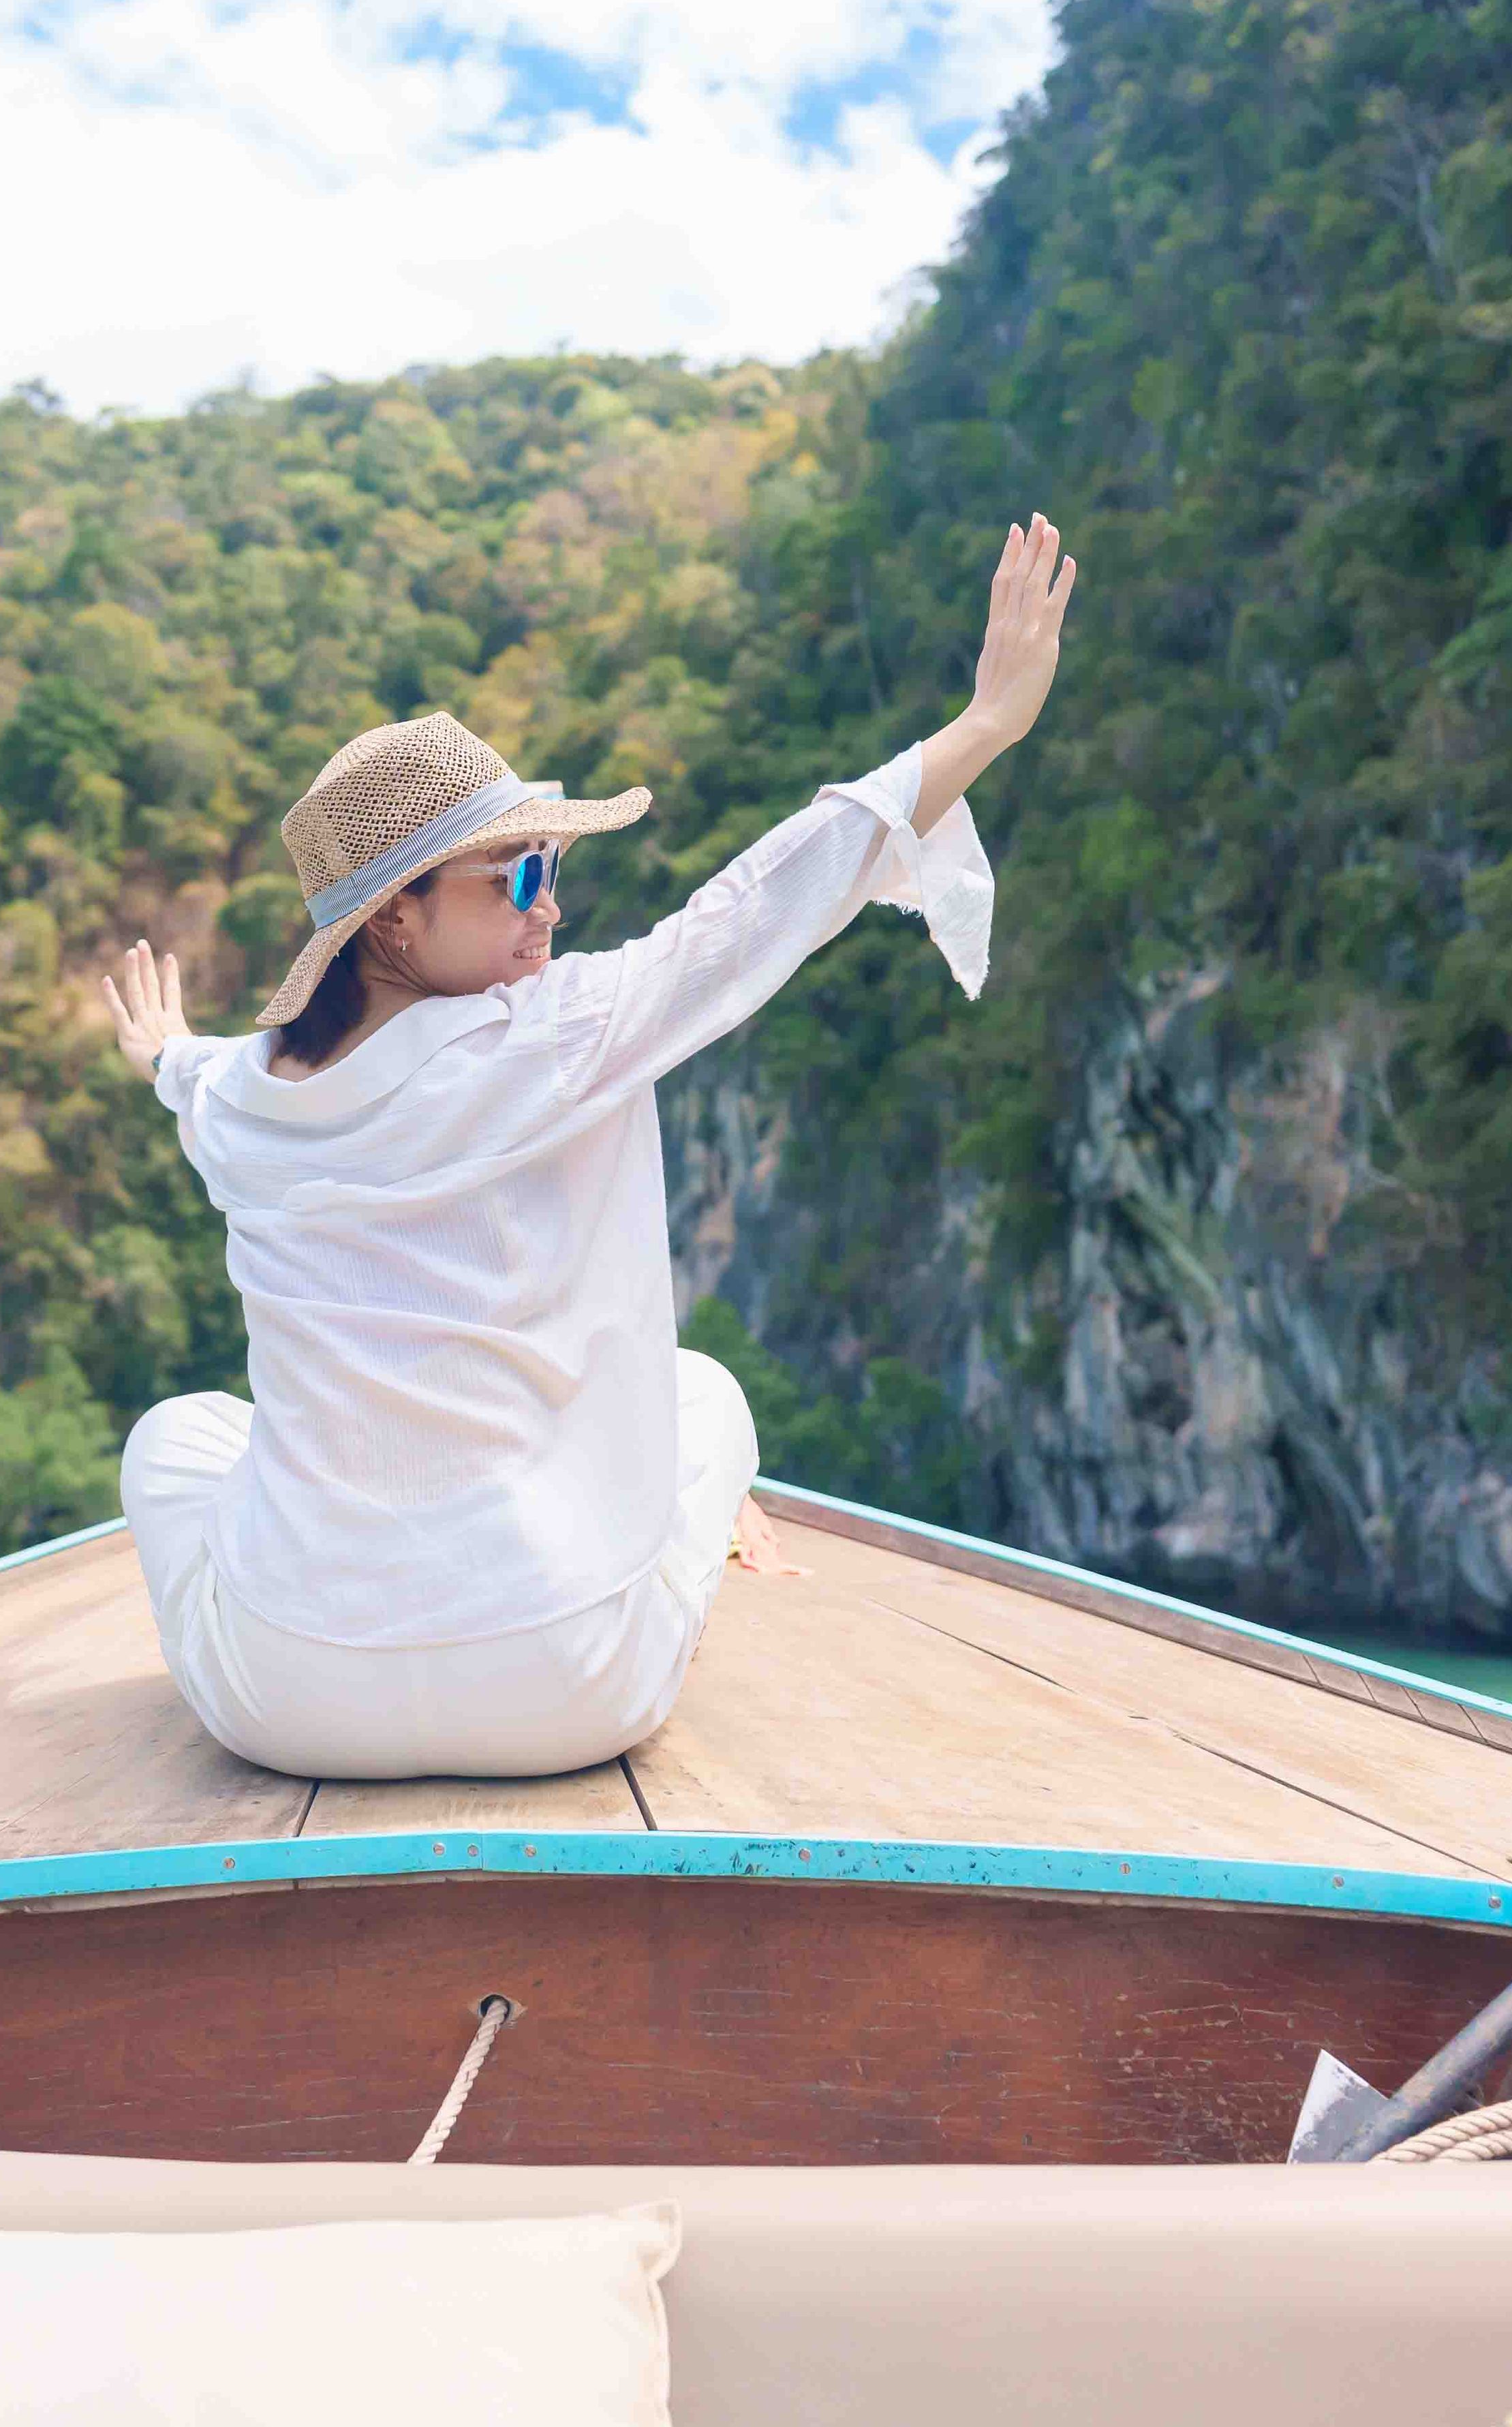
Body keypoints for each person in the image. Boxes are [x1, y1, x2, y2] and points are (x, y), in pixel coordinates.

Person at [101, 516, 1079, 1781]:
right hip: (561, 1689)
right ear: (394, 920)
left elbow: (194, 1074)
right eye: (516, 874)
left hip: (288, 1704)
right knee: (706, 1397)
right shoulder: (553, 1041)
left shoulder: (241, 1100)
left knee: (178, 1432)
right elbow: (763, 903)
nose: (550, 903)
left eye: (553, 865)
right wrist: (984, 726)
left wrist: (163, 1049)